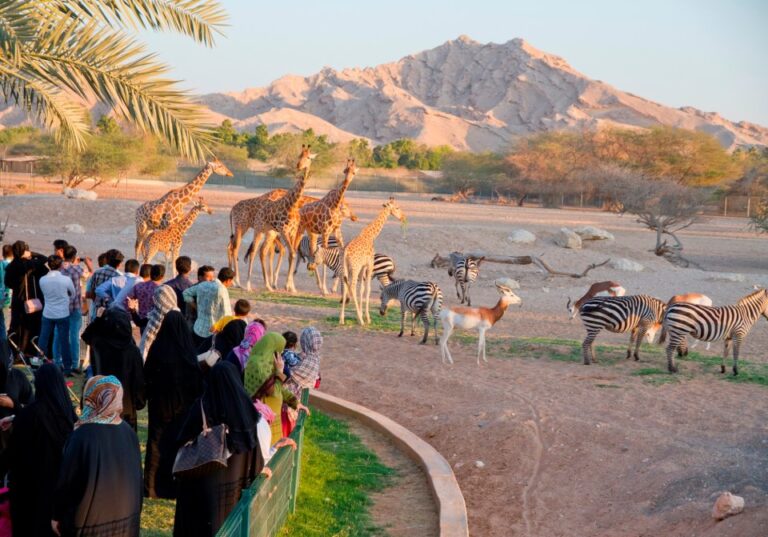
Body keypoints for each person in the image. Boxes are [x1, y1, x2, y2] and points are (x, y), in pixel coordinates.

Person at [173, 361, 266, 537]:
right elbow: (254, 453)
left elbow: (182, 442)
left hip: (202, 488)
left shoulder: (203, 407)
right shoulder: (246, 413)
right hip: (234, 489)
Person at [52, 376, 143, 537]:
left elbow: (67, 483)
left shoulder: (82, 435)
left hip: (89, 522)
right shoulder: (129, 432)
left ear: (91, 397)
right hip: (125, 521)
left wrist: (57, 516)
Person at [143, 287, 203, 499]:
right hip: (181, 410)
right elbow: (197, 382)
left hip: (159, 407)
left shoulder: (158, 350)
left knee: (156, 444)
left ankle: (151, 487)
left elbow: (147, 375)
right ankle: (173, 487)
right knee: (177, 444)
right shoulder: (188, 354)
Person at [5, 364, 76, 537]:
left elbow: (13, 454)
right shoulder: (70, 417)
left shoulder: (30, 415)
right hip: (57, 493)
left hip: (28, 491)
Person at [82, 308, 145, 429]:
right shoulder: (132, 351)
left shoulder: (100, 345)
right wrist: (139, 401)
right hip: (126, 407)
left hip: (102, 402)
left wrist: (99, 319)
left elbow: (87, 335)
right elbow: (138, 379)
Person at [244, 333, 308, 444]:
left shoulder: (266, 363)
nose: (280, 355)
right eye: (279, 350)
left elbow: (279, 388)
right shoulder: (258, 365)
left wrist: (295, 402)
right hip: (265, 422)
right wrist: (280, 372)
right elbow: (273, 391)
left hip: (271, 419)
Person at [4, 240, 48, 354]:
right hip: (32, 301)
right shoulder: (31, 265)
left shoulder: (11, 266)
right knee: (31, 327)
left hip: (17, 300)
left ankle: (14, 352)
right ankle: (30, 351)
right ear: (25, 251)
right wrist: (32, 254)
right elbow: (44, 259)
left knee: (16, 326)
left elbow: (8, 283)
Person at [39, 255, 75, 374]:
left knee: (43, 339)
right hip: (62, 313)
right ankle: (68, 368)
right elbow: (73, 294)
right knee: (64, 341)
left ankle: (40, 363)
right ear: (60, 266)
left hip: (48, 312)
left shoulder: (42, 279)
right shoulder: (66, 279)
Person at [183, 267, 234, 351]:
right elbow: (227, 315)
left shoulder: (203, 285)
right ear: (228, 280)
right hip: (212, 333)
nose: (231, 284)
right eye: (231, 281)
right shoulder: (222, 290)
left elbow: (185, 293)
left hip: (198, 329)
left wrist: (196, 306)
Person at [59, 246, 90, 371]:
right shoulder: (77, 269)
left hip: (61, 306)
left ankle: (60, 360)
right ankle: (75, 363)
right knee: (74, 336)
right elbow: (89, 275)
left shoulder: (59, 268)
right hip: (75, 305)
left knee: (61, 334)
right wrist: (87, 263)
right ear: (74, 256)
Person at [86, 249, 124, 320]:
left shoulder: (97, 272)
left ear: (106, 259)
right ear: (120, 264)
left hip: (97, 313)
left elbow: (92, 293)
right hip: (112, 315)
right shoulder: (120, 276)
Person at [285, 327, 323, 396]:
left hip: (290, 398)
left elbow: (288, 374)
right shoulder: (315, 359)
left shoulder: (307, 361)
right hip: (300, 397)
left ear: (305, 342)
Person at [127, 264, 165, 332]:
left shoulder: (139, 286)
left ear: (150, 274)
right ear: (162, 277)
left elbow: (129, 299)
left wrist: (132, 312)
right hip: (155, 323)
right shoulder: (161, 290)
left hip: (141, 320)